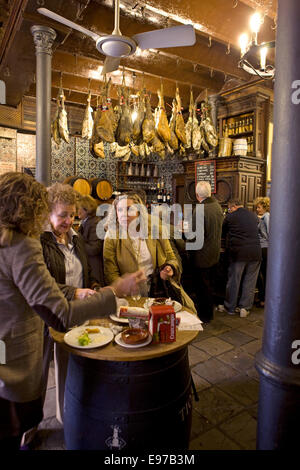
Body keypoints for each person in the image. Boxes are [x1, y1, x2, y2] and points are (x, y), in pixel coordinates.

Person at [0, 172, 144, 450]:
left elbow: (37, 288)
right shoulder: (23, 244)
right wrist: (113, 291)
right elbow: (60, 313)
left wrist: (83, 290)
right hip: (13, 362)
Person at [40, 183, 101, 424]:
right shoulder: (40, 242)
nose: (68, 221)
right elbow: (43, 284)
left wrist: (94, 287)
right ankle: (28, 429)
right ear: (48, 213)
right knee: (39, 374)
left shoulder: (75, 239)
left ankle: (67, 419)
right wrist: (75, 292)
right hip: (48, 317)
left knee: (69, 368)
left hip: (75, 315)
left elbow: (85, 271)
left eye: (72, 215)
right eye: (62, 215)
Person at [103, 193, 196, 313]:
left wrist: (170, 267)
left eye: (129, 209)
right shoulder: (111, 237)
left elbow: (171, 257)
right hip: (129, 298)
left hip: (158, 292)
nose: (123, 215)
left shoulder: (156, 229)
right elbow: (111, 275)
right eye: (119, 210)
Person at [187, 181, 223, 323]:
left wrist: (187, 247)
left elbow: (196, 237)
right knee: (210, 285)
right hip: (214, 252)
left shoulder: (201, 209)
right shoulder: (217, 206)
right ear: (210, 193)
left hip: (202, 255)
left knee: (203, 287)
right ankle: (209, 312)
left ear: (197, 195)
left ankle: (205, 315)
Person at [219, 199, 262, 318]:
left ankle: (230, 307)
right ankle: (244, 308)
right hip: (255, 252)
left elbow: (222, 232)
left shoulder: (230, 217)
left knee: (234, 280)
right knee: (250, 281)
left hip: (238, 253)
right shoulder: (254, 216)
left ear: (232, 207)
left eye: (229, 208)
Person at [77, 195, 105, 287]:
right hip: (89, 265)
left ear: (86, 209)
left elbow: (94, 248)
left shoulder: (95, 223)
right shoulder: (87, 221)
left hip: (94, 268)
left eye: (79, 208)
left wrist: (78, 244)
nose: (77, 211)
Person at [254, 196, 270, 307]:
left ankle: (263, 299)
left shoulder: (266, 217)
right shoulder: (263, 217)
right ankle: (262, 297)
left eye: (259, 207)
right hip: (262, 247)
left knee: (262, 274)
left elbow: (269, 232)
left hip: (264, 247)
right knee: (261, 274)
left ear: (264, 207)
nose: (257, 209)